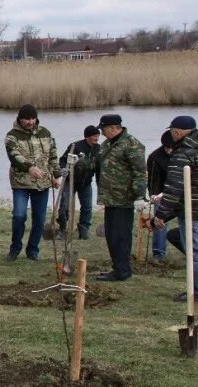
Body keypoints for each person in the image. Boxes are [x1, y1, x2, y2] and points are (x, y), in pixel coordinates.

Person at [150, 116, 198, 301]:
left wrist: (161, 215)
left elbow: (173, 188)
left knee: (194, 252)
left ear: (176, 132)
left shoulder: (183, 154)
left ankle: (196, 290)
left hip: (192, 211)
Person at [4, 105, 60, 261]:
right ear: (20, 119)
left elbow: (53, 156)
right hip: (21, 183)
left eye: (32, 118)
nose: (30, 122)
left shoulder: (45, 133)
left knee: (40, 218)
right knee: (19, 216)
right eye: (27, 119)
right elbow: (14, 156)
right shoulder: (12, 136)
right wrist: (29, 168)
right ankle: (15, 248)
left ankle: (33, 250)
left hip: (42, 183)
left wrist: (55, 175)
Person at [94, 114, 146, 282]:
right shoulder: (107, 145)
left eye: (103, 130)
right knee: (111, 234)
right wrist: (79, 163)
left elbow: (139, 172)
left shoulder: (131, 144)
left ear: (114, 128)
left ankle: (122, 271)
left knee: (120, 235)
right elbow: (97, 165)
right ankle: (118, 268)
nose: (102, 133)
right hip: (110, 198)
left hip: (124, 198)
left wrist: (139, 195)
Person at [56, 126, 102, 240]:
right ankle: (62, 229)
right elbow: (63, 160)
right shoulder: (75, 146)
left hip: (86, 183)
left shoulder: (98, 149)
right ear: (87, 136)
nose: (96, 138)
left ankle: (83, 230)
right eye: (94, 136)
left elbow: (99, 168)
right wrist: (63, 169)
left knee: (87, 207)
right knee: (64, 206)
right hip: (70, 181)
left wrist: (100, 184)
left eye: (98, 136)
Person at [147, 131, 174, 260]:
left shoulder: (185, 154)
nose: (169, 150)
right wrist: (153, 194)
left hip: (182, 191)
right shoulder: (155, 157)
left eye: (172, 148)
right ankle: (159, 252)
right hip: (162, 193)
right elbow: (153, 179)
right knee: (159, 221)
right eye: (167, 148)